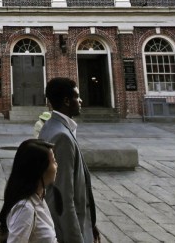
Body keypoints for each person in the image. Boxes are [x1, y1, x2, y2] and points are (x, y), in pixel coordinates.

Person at [39, 77, 100, 243]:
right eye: (77, 96)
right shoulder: (62, 136)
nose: (80, 100)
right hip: (70, 230)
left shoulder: (51, 126)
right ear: (66, 101)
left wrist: (90, 224)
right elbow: (63, 197)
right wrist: (76, 237)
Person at [0, 139, 60, 243]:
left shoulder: (38, 198)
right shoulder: (25, 209)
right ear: (40, 169)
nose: (56, 165)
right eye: (54, 161)